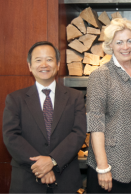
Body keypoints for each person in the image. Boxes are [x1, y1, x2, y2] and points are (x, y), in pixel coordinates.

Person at [2, 41, 87, 194]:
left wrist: (52, 160)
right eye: (38, 60)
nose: (44, 64)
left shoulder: (75, 97)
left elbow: (78, 133)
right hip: (26, 180)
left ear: (58, 64)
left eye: (49, 59)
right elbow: (11, 136)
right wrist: (41, 166)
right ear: (29, 66)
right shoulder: (15, 99)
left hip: (65, 180)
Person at [86, 18, 131, 194]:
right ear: (111, 45)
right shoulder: (100, 76)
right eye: (119, 42)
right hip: (111, 162)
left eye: (129, 41)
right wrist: (102, 167)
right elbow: (95, 124)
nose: (125, 47)